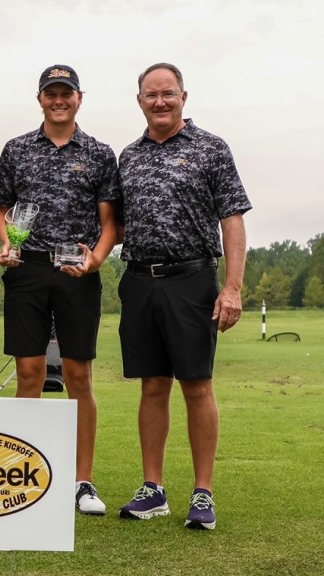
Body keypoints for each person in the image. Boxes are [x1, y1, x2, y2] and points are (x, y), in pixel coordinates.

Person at [117, 63, 251, 530]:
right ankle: (153, 490)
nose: (160, 102)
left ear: (183, 97)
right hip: (138, 279)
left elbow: (232, 219)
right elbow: (112, 222)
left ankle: (203, 493)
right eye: (151, 95)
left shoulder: (211, 149)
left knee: (196, 385)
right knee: (152, 385)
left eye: (168, 94)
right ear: (139, 101)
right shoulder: (128, 156)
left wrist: (232, 287)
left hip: (192, 279)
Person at [0, 65, 120, 516]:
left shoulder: (101, 153)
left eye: (66, 93)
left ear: (79, 98)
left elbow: (110, 223)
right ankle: (23, 471)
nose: (58, 100)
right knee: (29, 373)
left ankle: (82, 480)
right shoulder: (17, 149)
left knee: (78, 376)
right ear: (40, 98)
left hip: (77, 273)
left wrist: (97, 259)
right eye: (51, 93)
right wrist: (6, 242)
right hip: (27, 270)